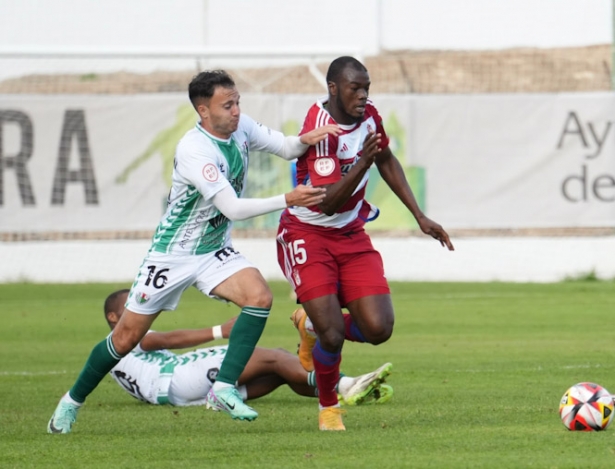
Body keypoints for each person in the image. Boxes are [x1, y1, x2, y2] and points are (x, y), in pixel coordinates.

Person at [47, 69, 342, 434]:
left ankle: (222, 389)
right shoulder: (194, 150)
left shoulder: (241, 127)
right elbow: (231, 208)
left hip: (212, 250)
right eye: (227, 105)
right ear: (204, 111)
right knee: (125, 339)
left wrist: (304, 139)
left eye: (237, 102)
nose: (236, 111)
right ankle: (70, 402)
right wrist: (287, 199)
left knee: (259, 296)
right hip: (172, 255)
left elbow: (285, 147)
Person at [276, 56, 455, 431]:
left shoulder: (370, 115)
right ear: (333, 89)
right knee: (334, 334)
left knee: (378, 328)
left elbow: (385, 159)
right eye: (355, 88)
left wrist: (419, 215)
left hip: (351, 234)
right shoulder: (321, 128)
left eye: (366, 87)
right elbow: (327, 203)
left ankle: (309, 325)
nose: (362, 94)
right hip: (307, 234)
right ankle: (329, 409)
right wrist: (361, 162)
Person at [103, 290, 393, 407]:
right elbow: (162, 340)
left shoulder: (114, 354)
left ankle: (337, 393)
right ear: (113, 318)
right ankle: (345, 384)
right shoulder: (122, 338)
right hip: (178, 377)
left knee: (280, 369)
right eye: (130, 306)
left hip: (175, 387)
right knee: (274, 356)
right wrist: (221, 331)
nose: (139, 308)